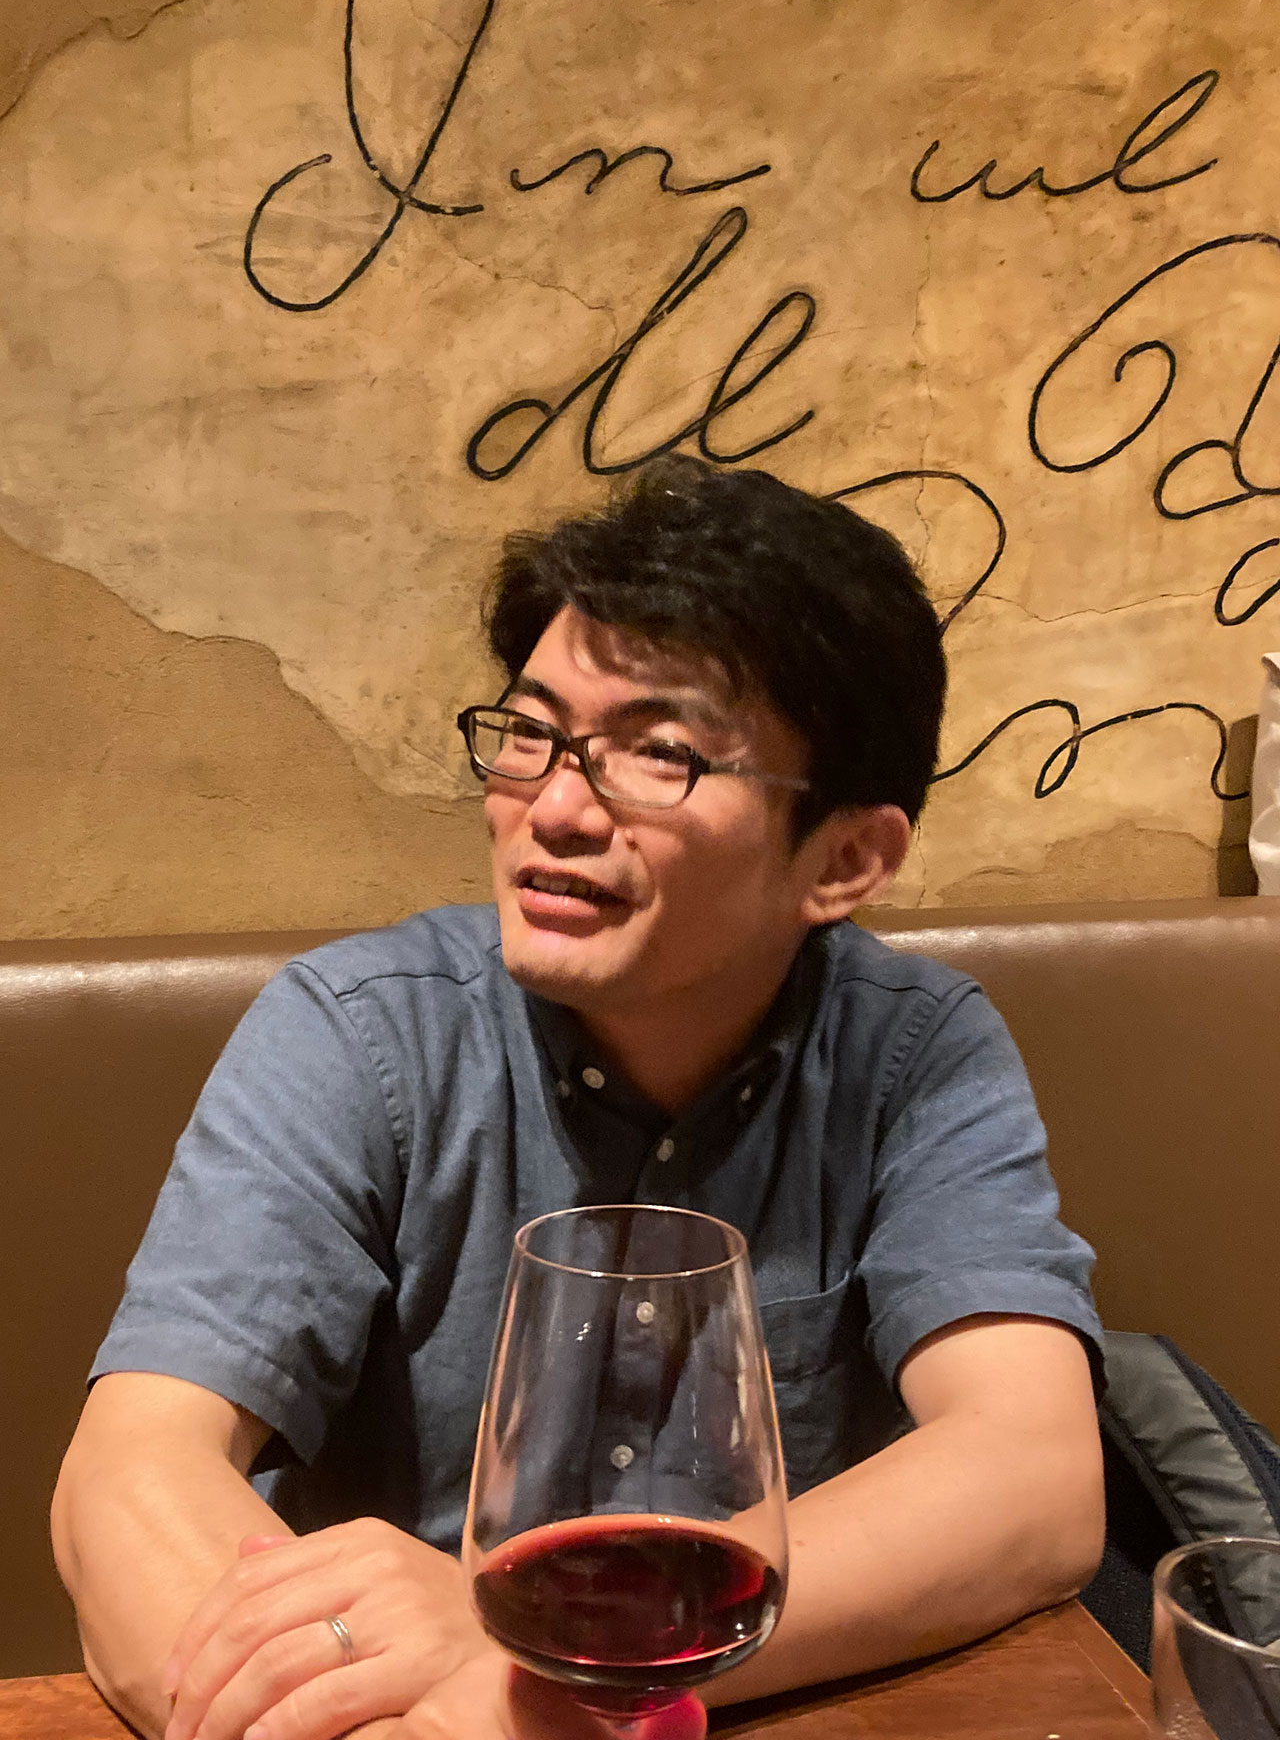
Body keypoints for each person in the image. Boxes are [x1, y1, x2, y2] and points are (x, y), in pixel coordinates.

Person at [52, 456, 1104, 1740]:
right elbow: (133, 1468)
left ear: (843, 858)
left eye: (658, 754)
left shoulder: (912, 1053)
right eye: (532, 733)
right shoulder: (359, 1034)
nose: (551, 809)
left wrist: (531, 1656)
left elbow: (1032, 1473)